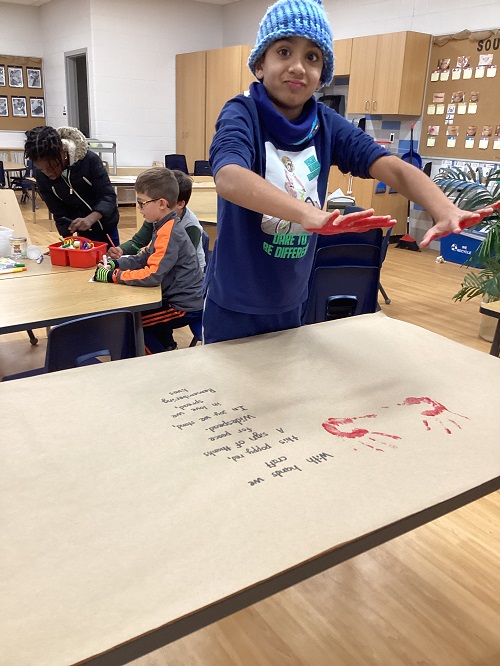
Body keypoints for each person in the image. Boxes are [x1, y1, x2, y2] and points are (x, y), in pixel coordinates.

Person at [204, 0, 496, 345]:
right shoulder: (242, 112)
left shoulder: (326, 124)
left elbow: (391, 167)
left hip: (292, 296)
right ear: (260, 65)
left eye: (312, 57)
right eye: (284, 51)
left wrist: (443, 208)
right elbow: (229, 177)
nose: (298, 66)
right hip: (235, 302)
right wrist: (308, 214)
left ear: (322, 73)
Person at [93, 167, 203, 353]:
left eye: (141, 202)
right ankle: (161, 353)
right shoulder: (162, 225)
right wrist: (118, 263)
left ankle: (159, 365)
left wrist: (114, 275)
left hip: (183, 306)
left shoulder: (169, 232)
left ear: (161, 203)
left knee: (130, 324)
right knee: (130, 319)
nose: (139, 208)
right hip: (173, 298)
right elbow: (146, 256)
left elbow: (152, 275)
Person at [24, 125, 119, 247]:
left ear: (63, 152)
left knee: (110, 262)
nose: (49, 173)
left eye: (53, 166)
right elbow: (57, 211)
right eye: (43, 169)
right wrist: (67, 244)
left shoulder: (89, 160)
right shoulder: (41, 176)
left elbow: (108, 196)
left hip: (106, 226)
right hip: (82, 231)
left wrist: (91, 219)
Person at [108, 169, 206, 271]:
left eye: (142, 203)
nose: (139, 207)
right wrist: (121, 250)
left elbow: (179, 260)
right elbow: (139, 241)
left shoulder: (191, 226)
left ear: (180, 204)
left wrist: (150, 254)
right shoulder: (158, 215)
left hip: (185, 275)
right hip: (166, 269)